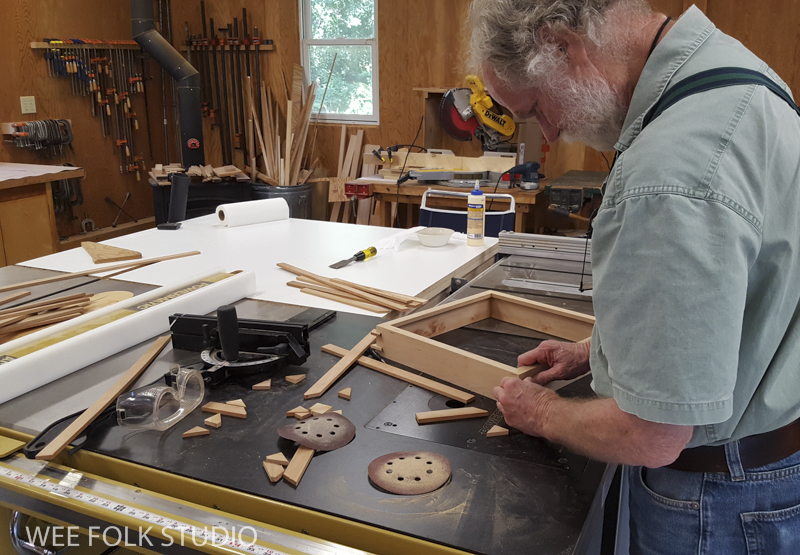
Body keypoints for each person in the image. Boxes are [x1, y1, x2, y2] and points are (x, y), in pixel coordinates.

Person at [468, 1, 800, 553]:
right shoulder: (734, 75)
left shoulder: (670, 173)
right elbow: (745, 294)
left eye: (536, 108)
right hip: (771, 473)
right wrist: (597, 351)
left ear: (560, 45)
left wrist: (542, 412)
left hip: (716, 502)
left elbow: (652, 434)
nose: (549, 132)